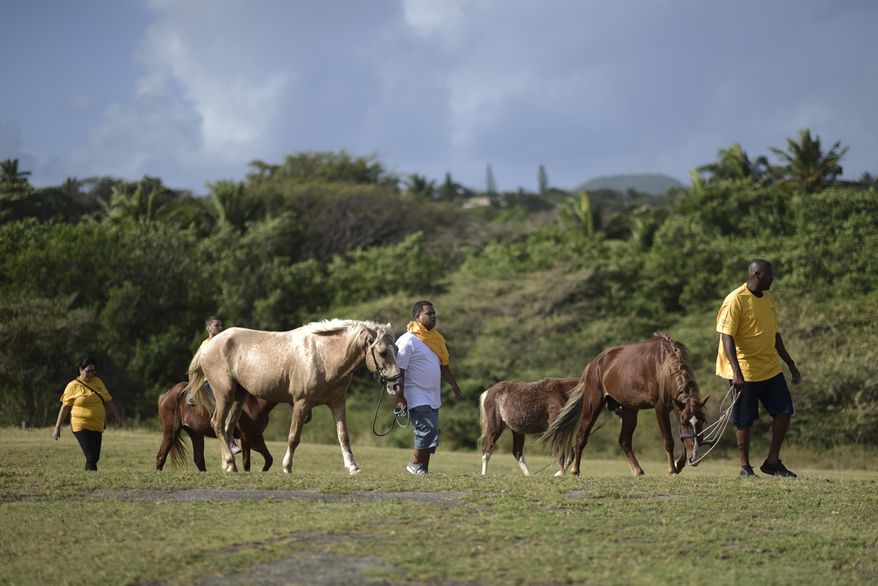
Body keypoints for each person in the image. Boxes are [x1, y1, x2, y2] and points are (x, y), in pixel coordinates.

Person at [716, 259, 801, 478]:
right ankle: (745, 467)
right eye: (769, 275)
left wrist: (790, 363)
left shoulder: (769, 299)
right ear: (756, 275)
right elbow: (727, 336)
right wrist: (736, 370)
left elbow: (774, 335)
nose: (772, 278)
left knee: (784, 410)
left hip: (770, 368)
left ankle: (772, 462)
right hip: (745, 370)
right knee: (744, 419)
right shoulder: (735, 300)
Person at [395, 300, 463, 475]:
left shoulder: (436, 339)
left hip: (433, 394)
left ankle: (422, 469)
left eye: (434, 313)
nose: (434, 316)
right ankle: (414, 464)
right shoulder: (407, 340)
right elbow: (399, 370)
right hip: (414, 392)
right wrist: (400, 396)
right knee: (427, 428)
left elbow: (443, 366)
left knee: (432, 433)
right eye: (429, 313)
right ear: (418, 317)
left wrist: (454, 385)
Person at [53, 357, 122, 471]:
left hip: (97, 425)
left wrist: (117, 417)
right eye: (88, 371)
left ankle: (88, 476)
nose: (90, 374)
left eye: (93, 371)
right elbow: (65, 407)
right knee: (90, 456)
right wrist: (57, 427)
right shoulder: (73, 386)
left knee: (95, 456)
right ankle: (92, 480)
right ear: (81, 370)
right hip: (80, 425)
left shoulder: (98, 382)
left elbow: (109, 400)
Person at [195, 315, 241, 455]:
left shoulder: (224, 344)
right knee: (223, 406)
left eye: (221, 325)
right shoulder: (206, 345)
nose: (220, 328)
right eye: (217, 325)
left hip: (223, 380)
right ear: (208, 328)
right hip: (209, 382)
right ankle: (230, 440)